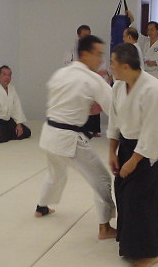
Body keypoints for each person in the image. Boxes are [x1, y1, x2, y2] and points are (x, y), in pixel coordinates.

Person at [36, 34, 117, 240]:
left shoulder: (61, 73)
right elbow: (115, 109)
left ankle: (41, 207)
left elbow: (64, 103)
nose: (101, 59)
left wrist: (85, 107)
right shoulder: (92, 79)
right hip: (68, 139)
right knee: (102, 179)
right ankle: (105, 227)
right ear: (85, 54)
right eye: (98, 54)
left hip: (48, 134)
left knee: (55, 173)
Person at [108, 43, 158, 267]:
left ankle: (149, 251)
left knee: (140, 197)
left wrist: (134, 161)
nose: (110, 67)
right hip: (127, 144)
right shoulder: (118, 86)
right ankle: (133, 241)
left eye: (113, 63)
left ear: (125, 66)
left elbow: (154, 131)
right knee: (123, 192)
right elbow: (114, 120)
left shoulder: (155, 90)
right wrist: (112, 151)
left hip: (147, 149)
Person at [64, 24, 102, 137]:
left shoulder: (93, 47)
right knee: (80, 103)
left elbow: (99, 62)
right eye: (84, 35)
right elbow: (67, 62)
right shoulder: (72, 47)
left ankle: (94, 130)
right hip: (76, 78)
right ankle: (79, 128)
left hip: (90, 76)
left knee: (93, 101)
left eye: (88, 35)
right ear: (78, 35)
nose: (87, 37)